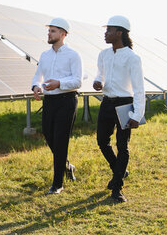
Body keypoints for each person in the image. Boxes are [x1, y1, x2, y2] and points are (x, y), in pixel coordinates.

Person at [93, 15, 145, 203]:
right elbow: (100, 73)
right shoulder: (103, 54)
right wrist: (98, 81)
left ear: (120, 33)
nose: (105, 34)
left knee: (122, 146)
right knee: (102, 140)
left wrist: (137, 115)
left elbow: (139, 89)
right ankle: (119, 172)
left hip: (125, 104)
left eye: (109, 30)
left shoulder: (133, 58)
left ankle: (117, 188)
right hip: (107, 102)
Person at [32, 18, 83, 195]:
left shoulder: (73, 55)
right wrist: (36, 86)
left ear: (63, 34)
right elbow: (38, 75)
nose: (49, 33)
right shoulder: (45, 56)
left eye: (53, 31)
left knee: (61, 140)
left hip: (67, 100)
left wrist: (59, 83)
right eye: (49, 31)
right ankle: (67, 166)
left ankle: (57, 184)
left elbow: (78, 80)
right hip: (50, 101)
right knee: (48, 135)